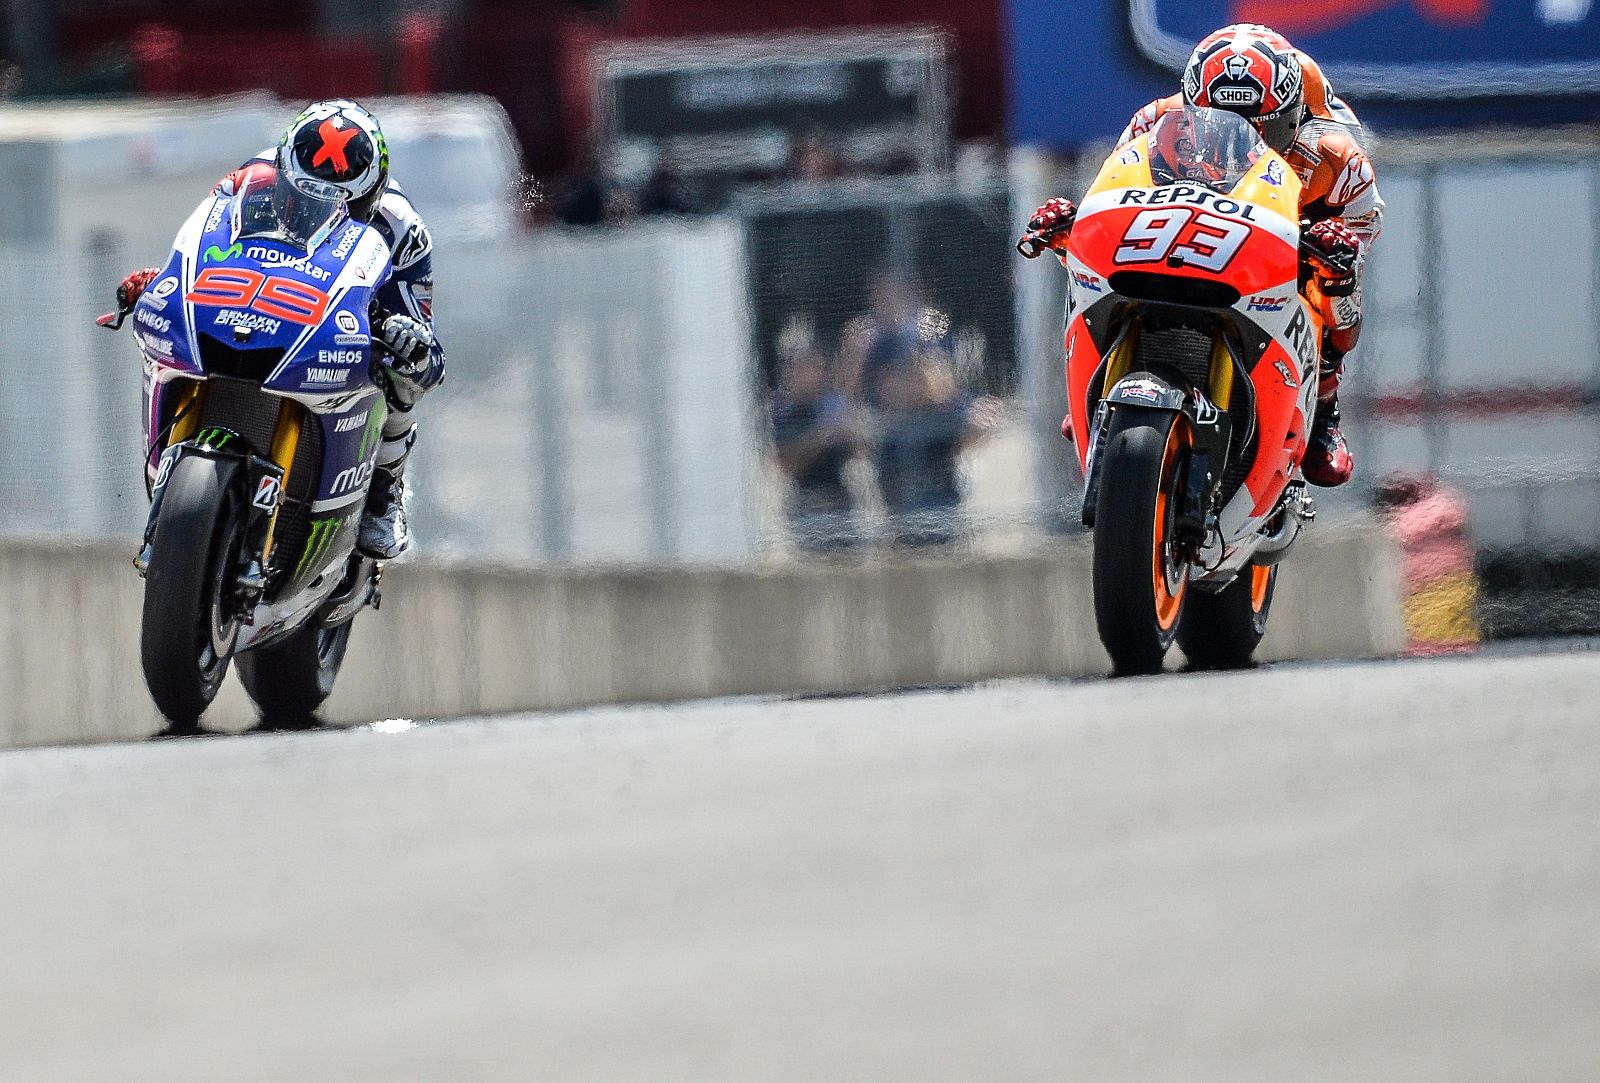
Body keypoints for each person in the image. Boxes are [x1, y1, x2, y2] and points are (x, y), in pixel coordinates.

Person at [1018, 23, 1382, 488]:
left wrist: (1333, 244)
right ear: (1191, 109)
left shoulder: (1335, 158)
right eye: (1221, 122)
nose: (1241, 141)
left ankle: (1325, 410)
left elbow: (1362, 231)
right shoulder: (1152, 122)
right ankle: (1097, 382)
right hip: (1181, 230)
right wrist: (1076, 226)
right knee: (1088, 268)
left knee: (1334, 287)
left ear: (1291, 117)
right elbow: (1116, 191)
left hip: (1283, 240)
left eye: (1264, 128)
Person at [116, 99, 444, 558]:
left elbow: (427, 345)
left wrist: (412, 342)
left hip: (348, 316)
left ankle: (384, 492)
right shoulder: (248, 181)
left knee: (405, 376)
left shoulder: (403, 228)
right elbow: (203, 246)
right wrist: (162, 281)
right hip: (267, 305)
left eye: (340, 202)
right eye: (303, 195)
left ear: (369, 196)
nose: (314, 209)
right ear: (285, 173)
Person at [770, 348, 865, 553]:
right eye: (805, 370)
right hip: (807, 503)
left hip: (840, 500)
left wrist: (853, 432)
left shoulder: (833, 405)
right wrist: (820, 437)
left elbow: (860, 454)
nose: (812, 376)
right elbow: (786, 466)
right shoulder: (784, 413)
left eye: (817, 369)